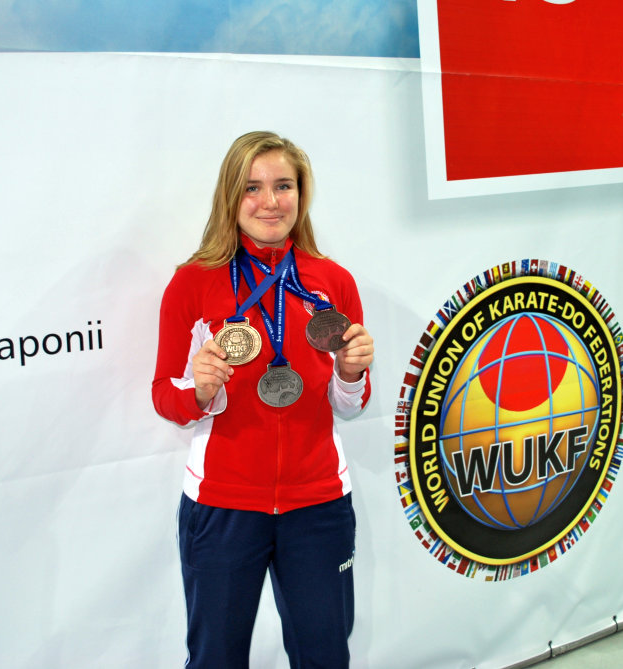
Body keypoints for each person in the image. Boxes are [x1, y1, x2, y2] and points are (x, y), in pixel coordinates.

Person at [152, 131, 374, 668]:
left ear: (302, 193)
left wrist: (350, 373)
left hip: (318, 504)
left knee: (324, 658)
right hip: (223, 504)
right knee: (216, 660)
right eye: (252, 187)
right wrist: (200, 390)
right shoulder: (193, 283)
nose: (270, 201)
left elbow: (349, 404)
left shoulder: (332, 281)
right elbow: (164, 394)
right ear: (231, 196)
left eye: (284, 186)